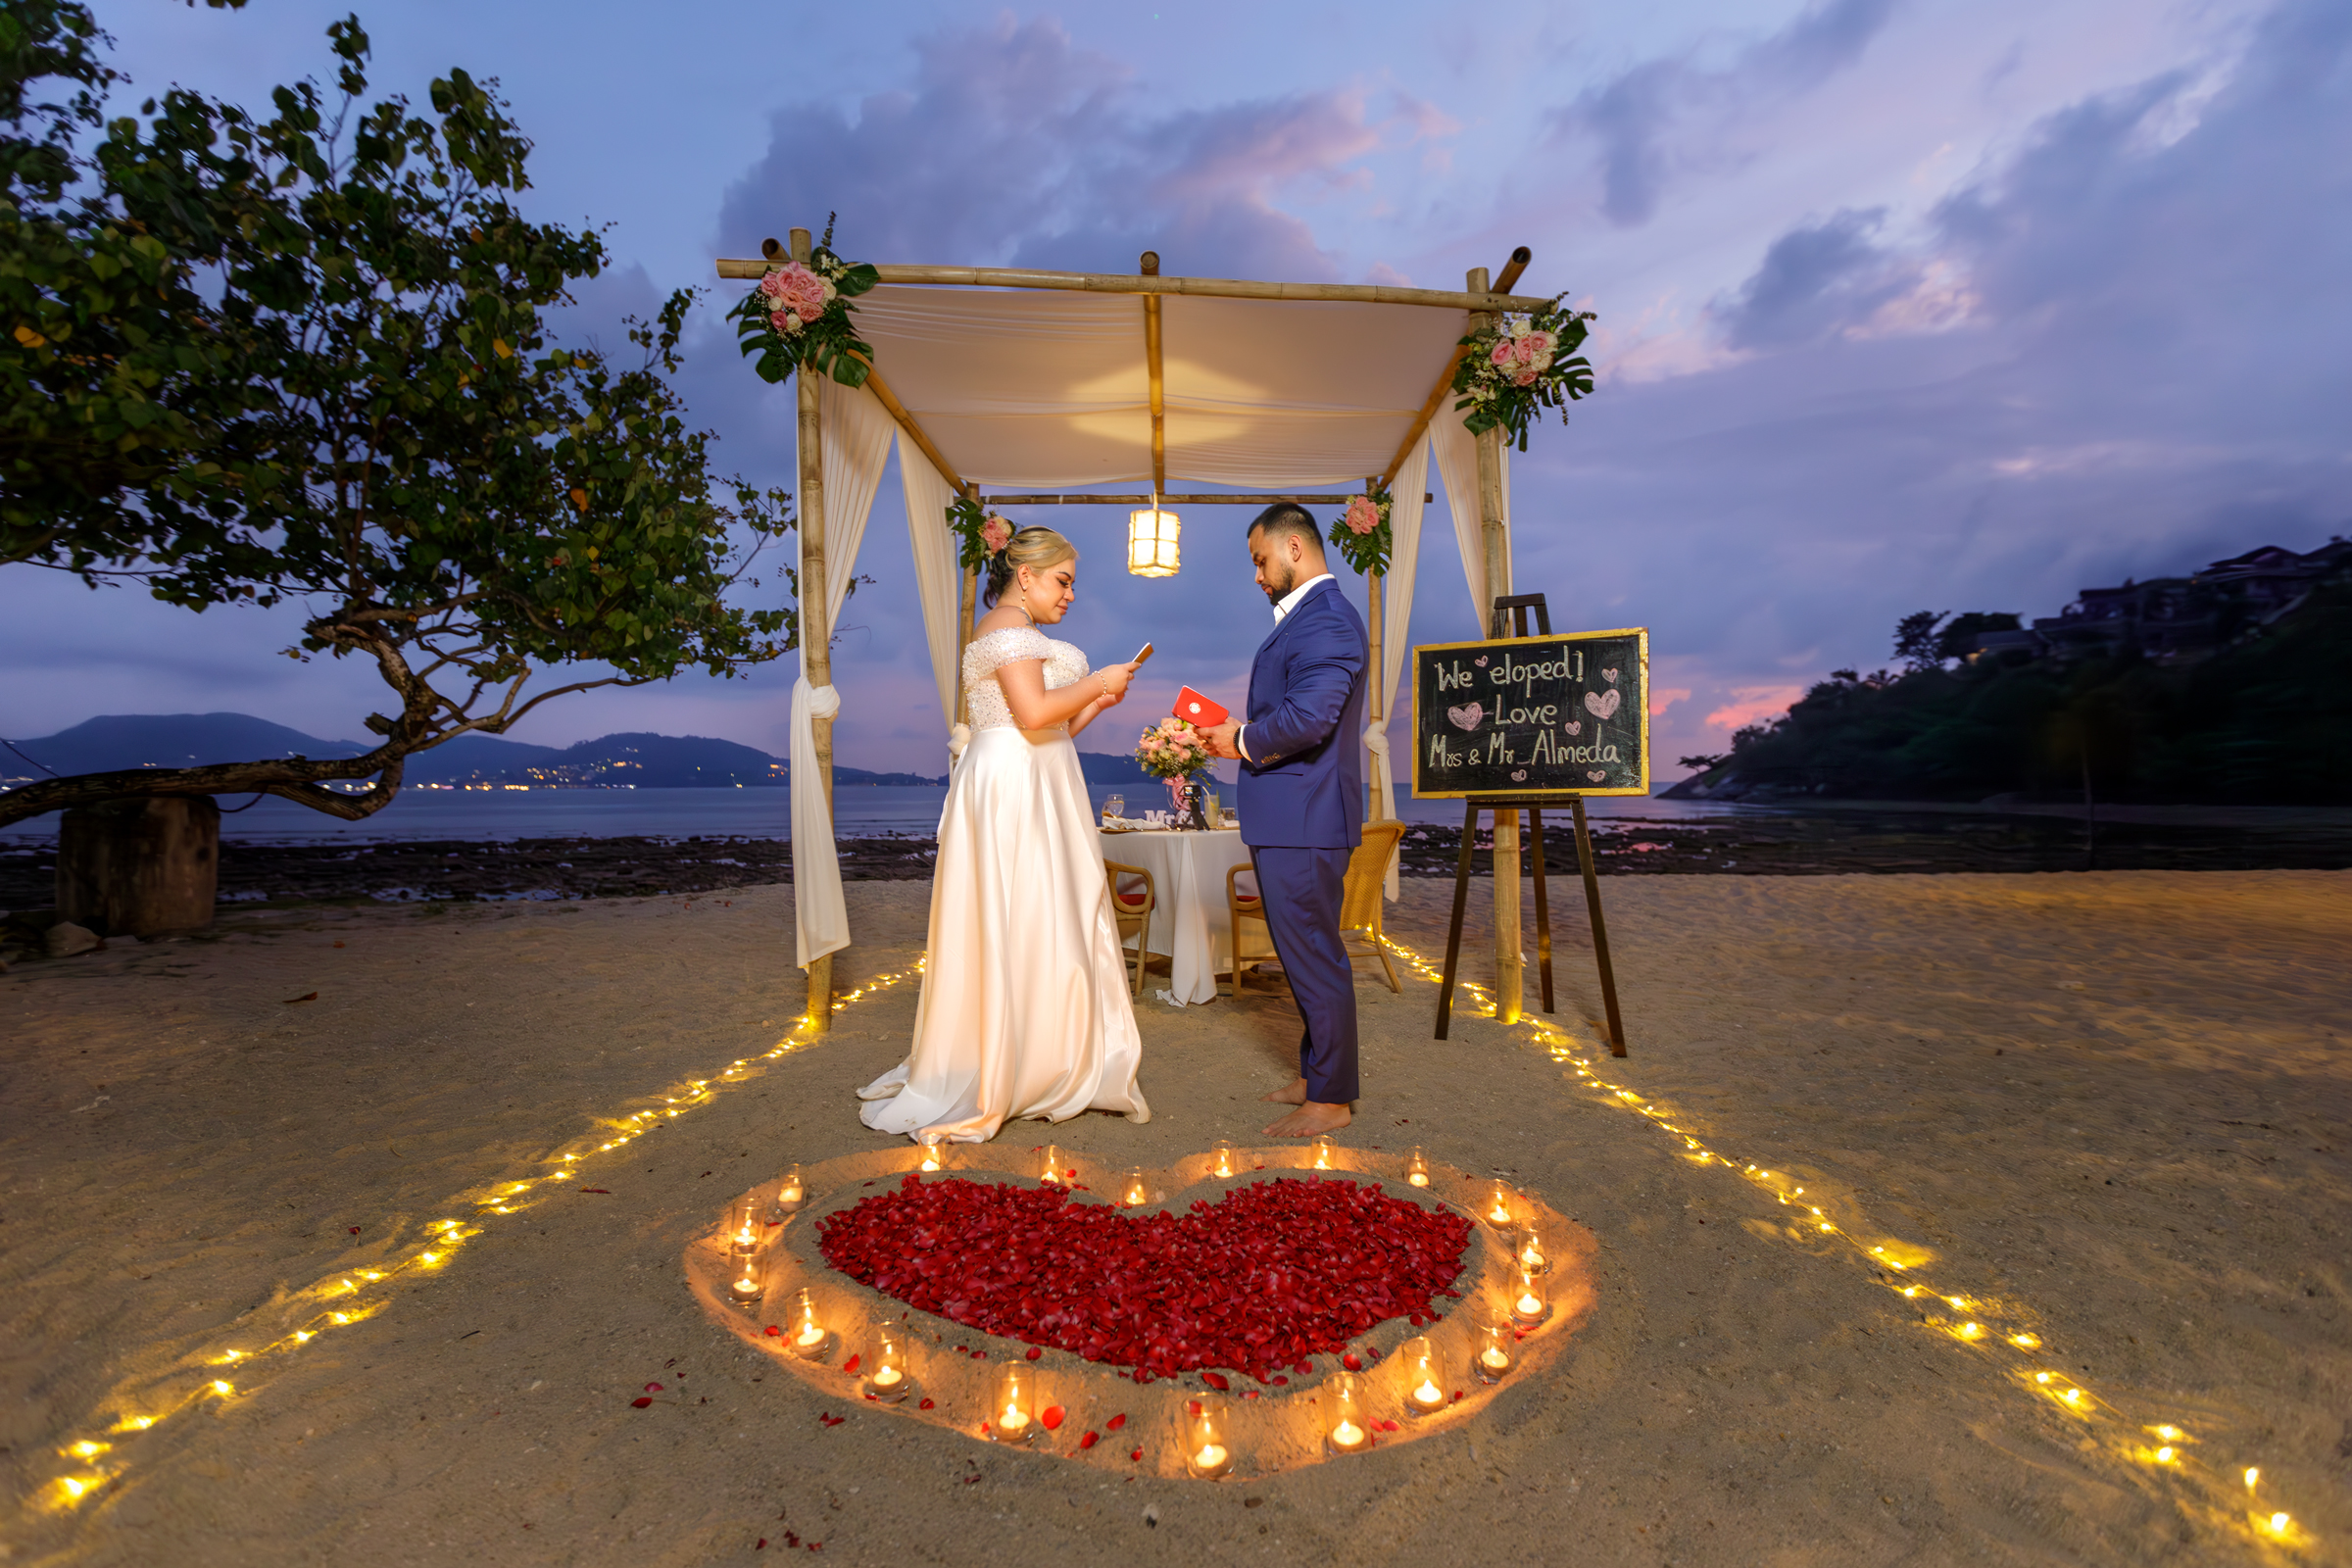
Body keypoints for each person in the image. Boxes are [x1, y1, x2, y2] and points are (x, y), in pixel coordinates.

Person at [858, 525, 1152, 1142]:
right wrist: (1098, 679)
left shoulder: (1021, 636)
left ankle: (1043, 1048)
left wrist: (1101, 701)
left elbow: (1054, 729)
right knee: (1022, 911)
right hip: (1013, 784)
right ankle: (1017, 1060)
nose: (1070, 594)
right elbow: (1033, 714)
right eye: (1062, 580)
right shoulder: (1006, 631)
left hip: (1037, 772)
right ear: (1026, 576)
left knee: (1047, 912)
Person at [1200, 504, 1368, 1137]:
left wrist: (1238, 739)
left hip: (1307, 819)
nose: (1257, 575)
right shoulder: (1309, 619)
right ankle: (1316, 1071)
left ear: (1294, 547)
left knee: (1315, 956)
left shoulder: (1327, 621)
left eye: (1260, 560)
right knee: (1301, 958)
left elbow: (1310, 720)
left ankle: (1331, 1098)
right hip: (1294, 819)